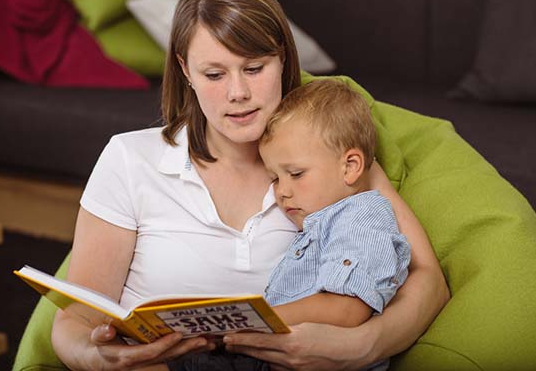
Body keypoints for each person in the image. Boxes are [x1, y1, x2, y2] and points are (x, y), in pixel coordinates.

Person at [50, 0, 449, 370]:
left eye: (254, 68)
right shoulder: (130, 158)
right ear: (185, 70)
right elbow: (77, 317)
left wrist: (363, 345)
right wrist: (97, 358)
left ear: (283, 61)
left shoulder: (324, 160)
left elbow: (428, 280)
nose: (237, 93)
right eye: (214, 74)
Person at [167, 78, 411, 371]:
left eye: (295, 174)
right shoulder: (324, 219)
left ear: (351, 167)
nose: (281, 191)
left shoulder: (361, 220)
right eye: (275, 178)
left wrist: (252, 320)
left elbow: (346, 309)